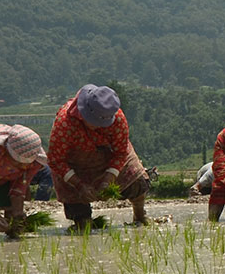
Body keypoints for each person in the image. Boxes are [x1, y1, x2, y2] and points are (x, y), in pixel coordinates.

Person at [48, 84, 152, 231]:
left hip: (107, 158)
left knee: (137, 183)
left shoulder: (117, 118)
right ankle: (81, 221)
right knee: (83, 224)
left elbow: (121, 153)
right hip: (75, 165)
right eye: (95, 122)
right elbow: (55, 160)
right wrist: (79, 184)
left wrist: (107, 181)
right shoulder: (65, 122)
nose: (98, 127)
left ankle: (140, 215)